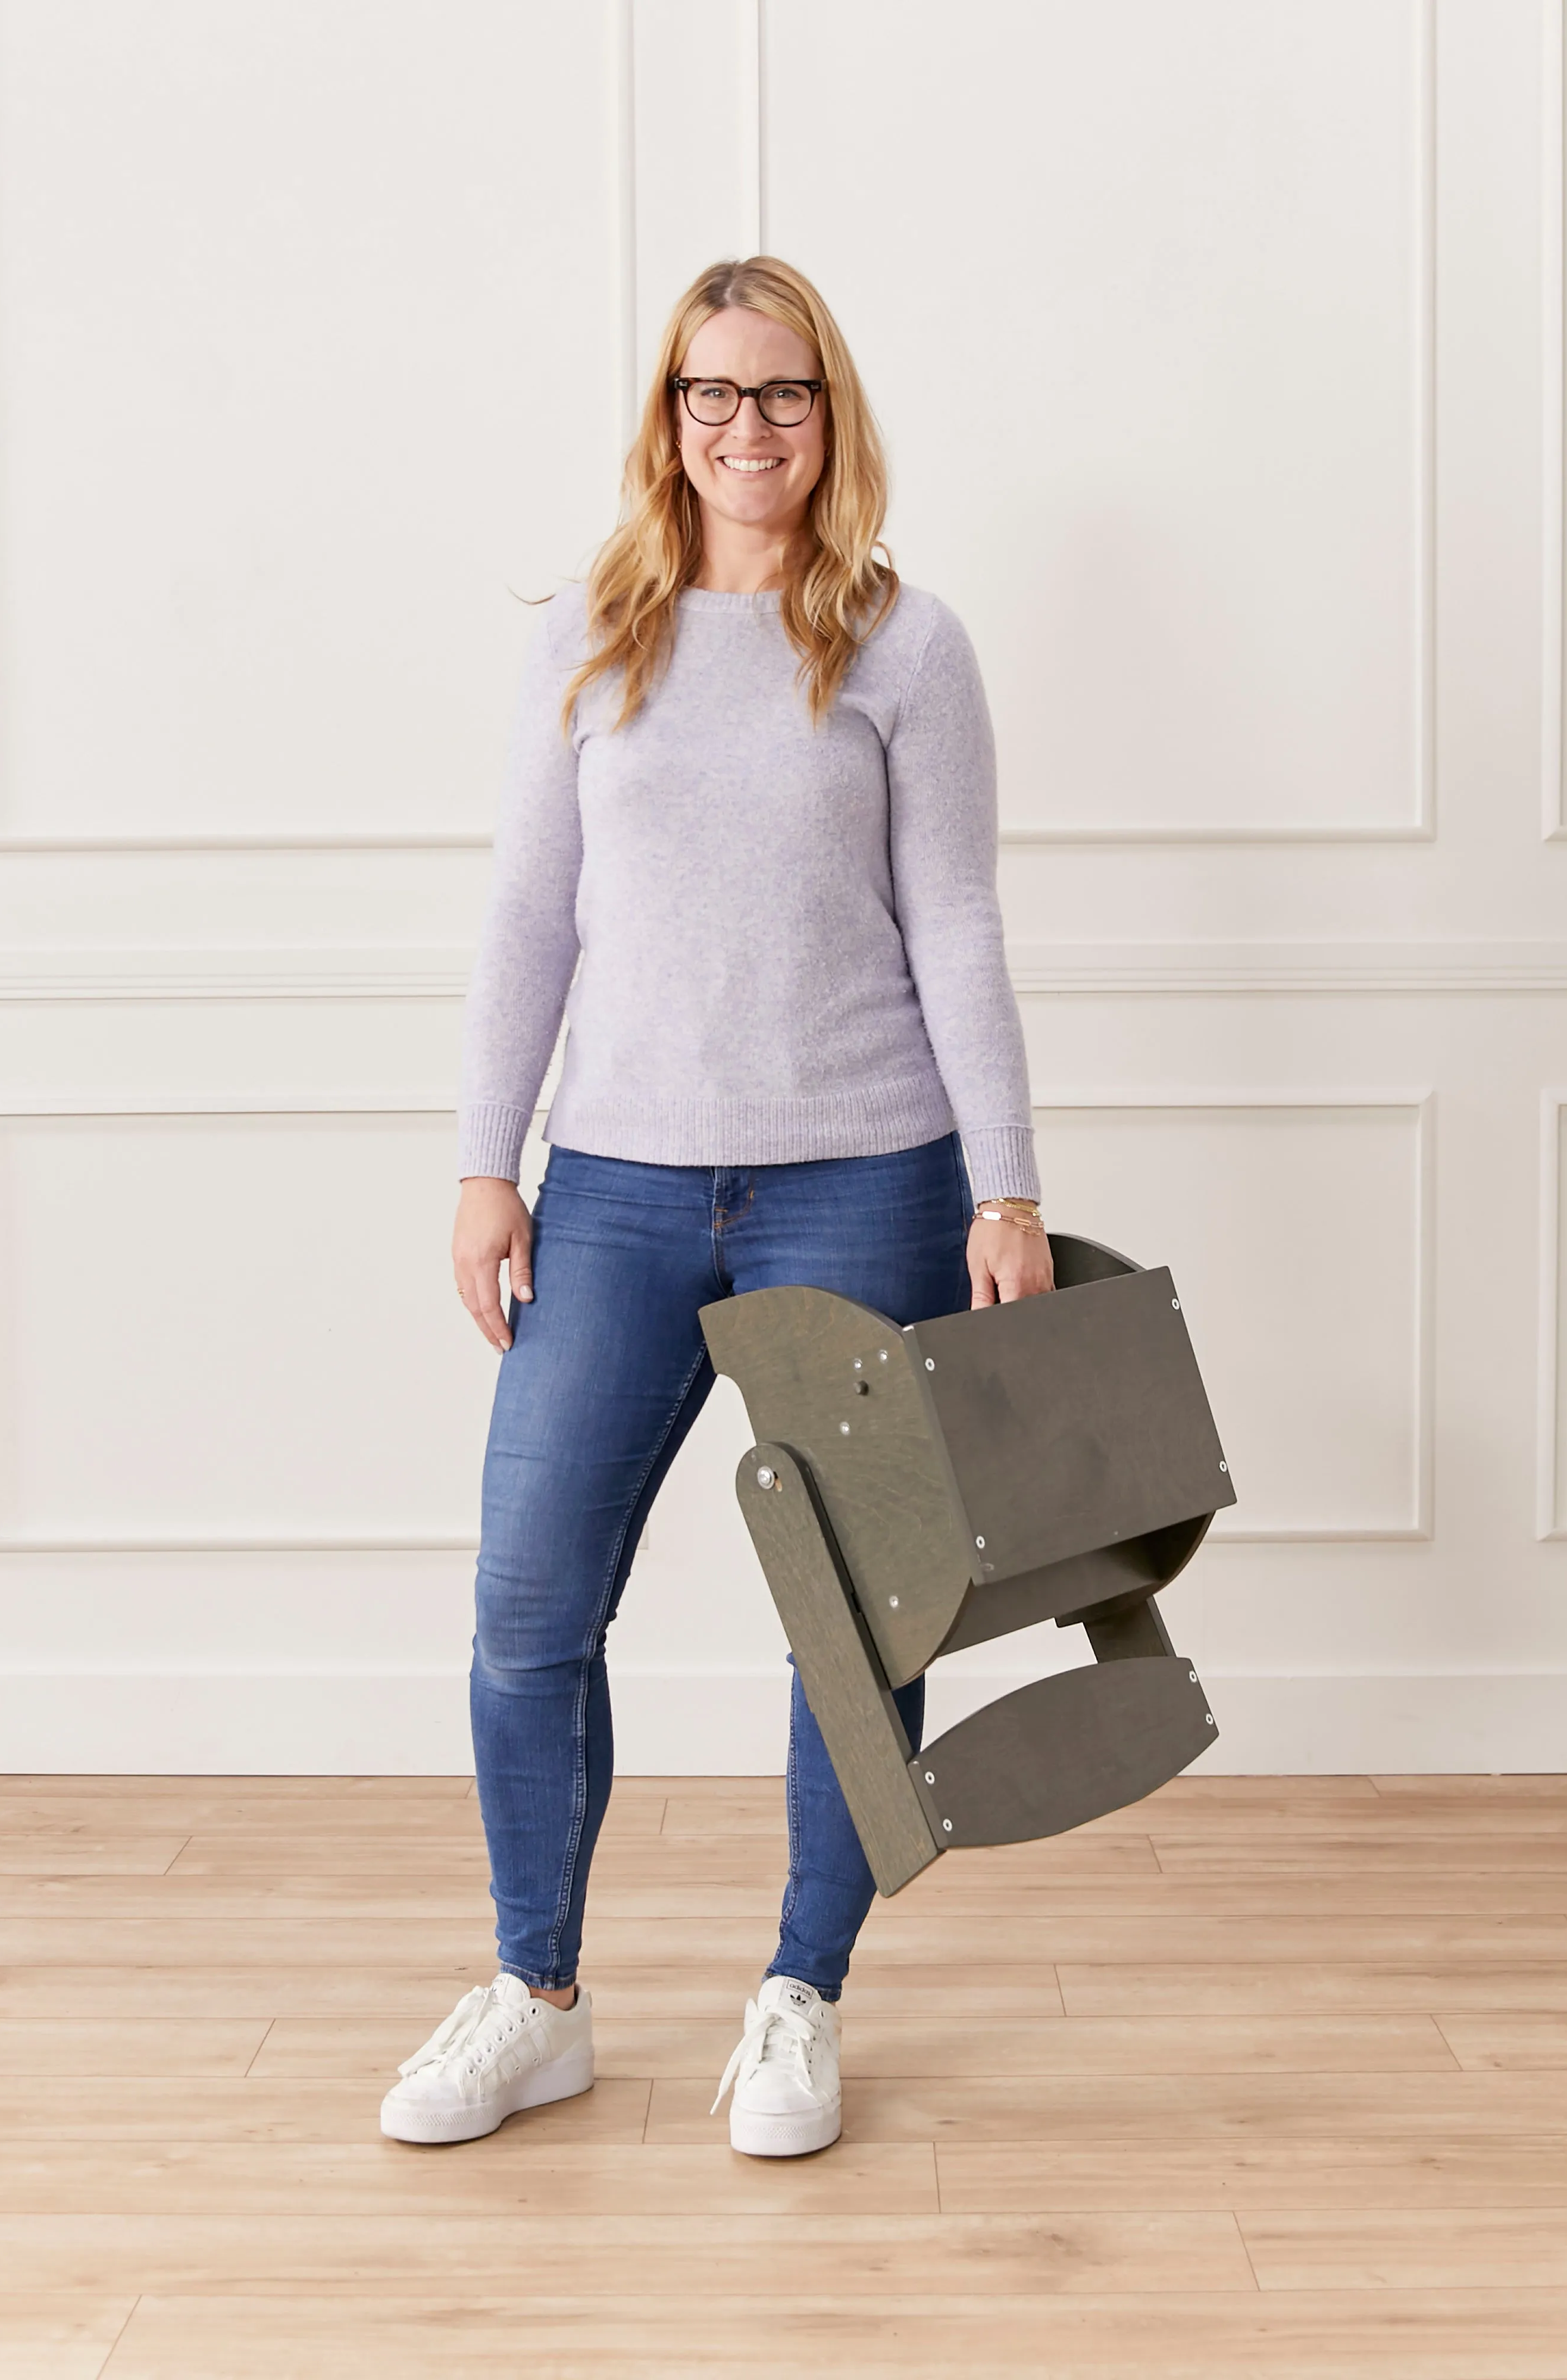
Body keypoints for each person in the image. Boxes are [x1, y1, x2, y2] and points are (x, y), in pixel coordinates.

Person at [380, 257, 1051, 2159]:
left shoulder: (909, 648)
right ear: (665, 417)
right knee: (527, 1602)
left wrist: (1005, 1184)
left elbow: (964, 924)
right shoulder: (592, 638)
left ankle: (800, 1996)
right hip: (609, 1189)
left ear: (832, 418)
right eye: (710, 394)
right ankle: (539, 1998)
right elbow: (530, 916)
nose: (745, 429)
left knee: (852, 1620)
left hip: (867, 1177)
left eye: (783, 395)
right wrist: (482, 1163)